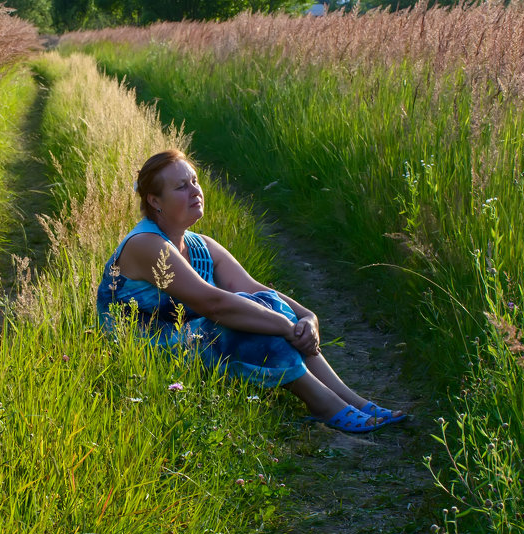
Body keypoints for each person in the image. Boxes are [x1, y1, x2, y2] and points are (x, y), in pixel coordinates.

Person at [97, 149, 407, 433]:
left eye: (195, 181)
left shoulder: (200, 245)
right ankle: (327, 405)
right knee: (244, 316)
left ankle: (353, 401)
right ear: (154, 201)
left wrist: (307, 318)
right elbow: (214, 304)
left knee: (261, 304)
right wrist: (286, 326)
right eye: (181, 187)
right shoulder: (146, 246)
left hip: (188, 340)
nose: (195, 191)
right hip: (144, 353)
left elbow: (258, 290)